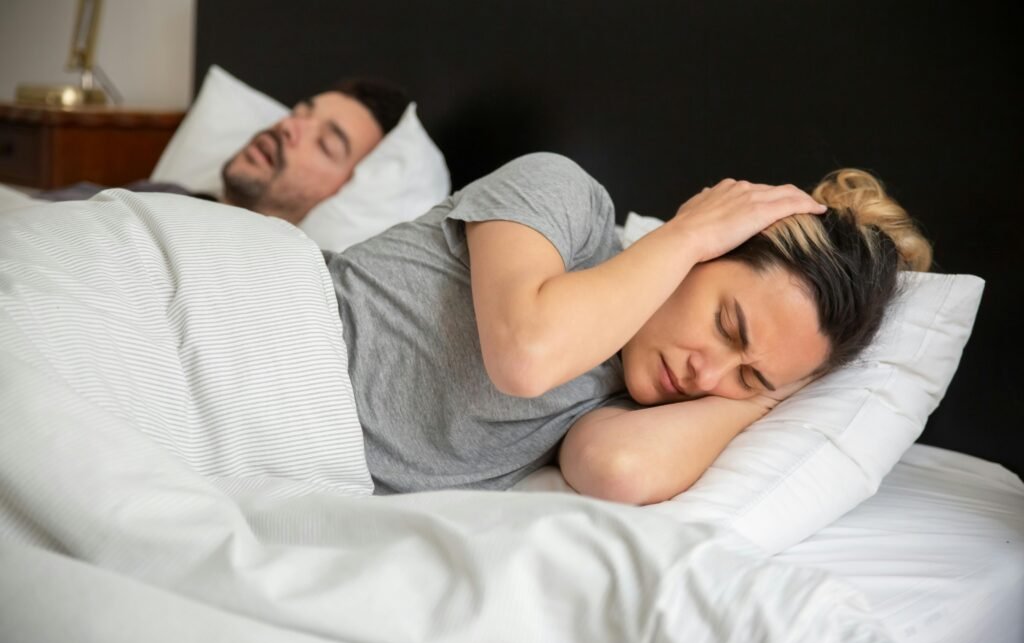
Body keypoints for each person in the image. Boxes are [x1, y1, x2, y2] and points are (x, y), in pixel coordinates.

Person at [324, 153, 932, 503]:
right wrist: (686, 233)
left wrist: (766, 397)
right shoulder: (565, 202)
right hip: (254, 323)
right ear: (707, 250)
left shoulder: (626, 403)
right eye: (727, 325)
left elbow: (618, 470)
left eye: (749, 374)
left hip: (276, 455)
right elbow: (526, 356)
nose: (708, 373)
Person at [34, 78, 409, 225]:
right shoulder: (166, 193)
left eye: (325, 144)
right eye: (299, 112)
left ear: (347, 191)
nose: (289, 127)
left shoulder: (270, 272)